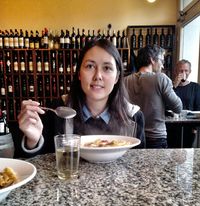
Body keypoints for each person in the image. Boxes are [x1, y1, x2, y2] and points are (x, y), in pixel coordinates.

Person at [17, 38, 145, 157]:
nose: (98, 76)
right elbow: (38, 165)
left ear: (117, 77)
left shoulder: (133, 117)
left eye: (107, 68)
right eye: (90, 66)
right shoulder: (57, 112)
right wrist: (33, 141)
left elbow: (139, 165)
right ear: (79, 74)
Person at [124, 45, 182, 148]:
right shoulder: (161, 78)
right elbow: (178, 107)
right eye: (161, 61)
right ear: (152, 60)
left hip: (132, 137)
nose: (163, 66)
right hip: (156, 137)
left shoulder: (125, 81)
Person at [173, 59, 200, 147]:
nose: (183, 73)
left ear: (190, 72)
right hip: (172, 125)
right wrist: (174, 86)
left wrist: (195, 127)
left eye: (186, 70)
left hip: (189, 126)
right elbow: (166, 104)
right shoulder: (169, 86)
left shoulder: (195, 87)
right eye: (181, 70)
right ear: (176, 71)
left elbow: (198, 107)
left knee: (187, 150)